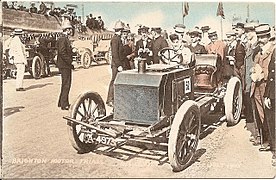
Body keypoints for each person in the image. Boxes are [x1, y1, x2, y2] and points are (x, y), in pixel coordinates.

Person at [250, 24, 275, 149]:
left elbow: (272, 71)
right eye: (258, 37)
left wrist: (262, 74)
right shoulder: (258, 52)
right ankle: (265, 139)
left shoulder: (272, 51)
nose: (260, 40)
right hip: (257, 87)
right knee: (260, 114)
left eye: (262, 37)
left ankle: (272, 142)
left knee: (269, 115)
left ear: (268, 37)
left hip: (267, 86)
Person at [243, 22, 261, 144]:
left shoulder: (258, 47)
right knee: (254, 108)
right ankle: (257, 134)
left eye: (249, 31)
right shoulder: (250, 46)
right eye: (246, 31)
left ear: (255, 32)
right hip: (250, 81)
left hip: (256, 82)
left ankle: (259, 136)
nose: (247, 34)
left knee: (258, 110)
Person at [56, 24, 74, 110]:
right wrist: (69, 61)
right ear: (67, 30)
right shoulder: (63, 39)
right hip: (65, 65)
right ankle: (64, 104)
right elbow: (62, 52)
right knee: (66, 84)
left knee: (65, 84)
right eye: (70, 29)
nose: (71, 31)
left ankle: (61, 102)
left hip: (64, 65)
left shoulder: (63, 38)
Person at [106, 20, 124, 107]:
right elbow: (115, 54)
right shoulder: (115, 39)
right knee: (114, 81)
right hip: (116, 65)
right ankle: (110, 99)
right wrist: (119, 65)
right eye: (120, 30)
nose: (121, 32)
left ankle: (114, 99)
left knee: (116, 81)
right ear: (118, 30)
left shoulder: (118, 39)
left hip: (117, 64)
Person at [263, 41, 275, 165]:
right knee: (273, 123)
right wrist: (267, 95)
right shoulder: (275, 52)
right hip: (273, 94)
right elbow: (271, 76)